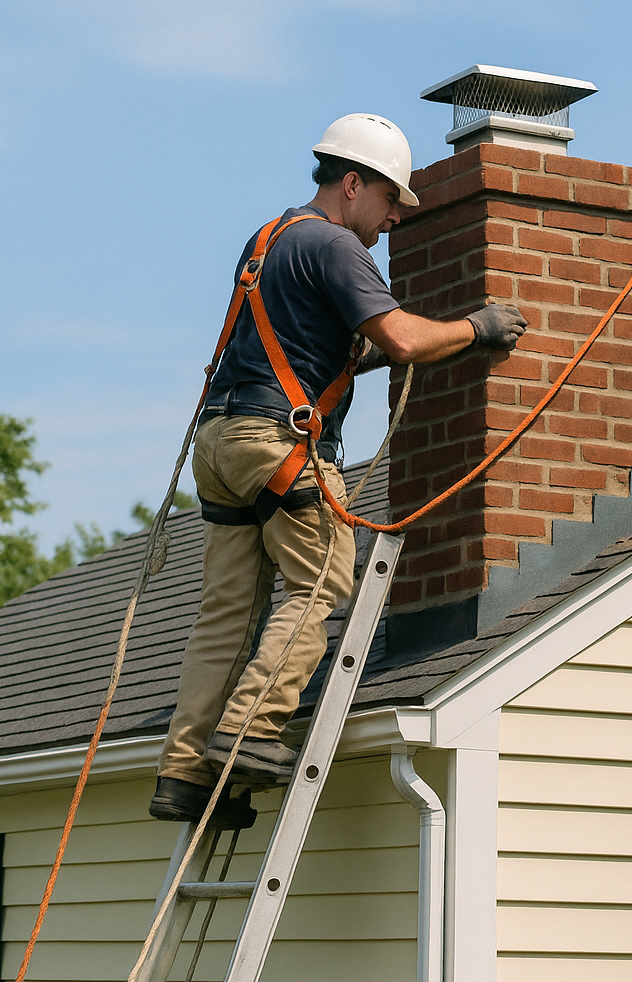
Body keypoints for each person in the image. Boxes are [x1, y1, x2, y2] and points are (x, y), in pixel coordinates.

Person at [150, 114, 526, 824]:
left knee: (227, 614)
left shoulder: (270, 240)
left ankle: (183, 773)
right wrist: (478, 329)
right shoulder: (337, 247)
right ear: (352, 184)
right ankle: (252, 729)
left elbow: (326, 349)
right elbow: (404, 339)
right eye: (389, 201)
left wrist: (388, 349)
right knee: (321, 577)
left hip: (223, 442)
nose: (391, 220)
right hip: (277, 442)